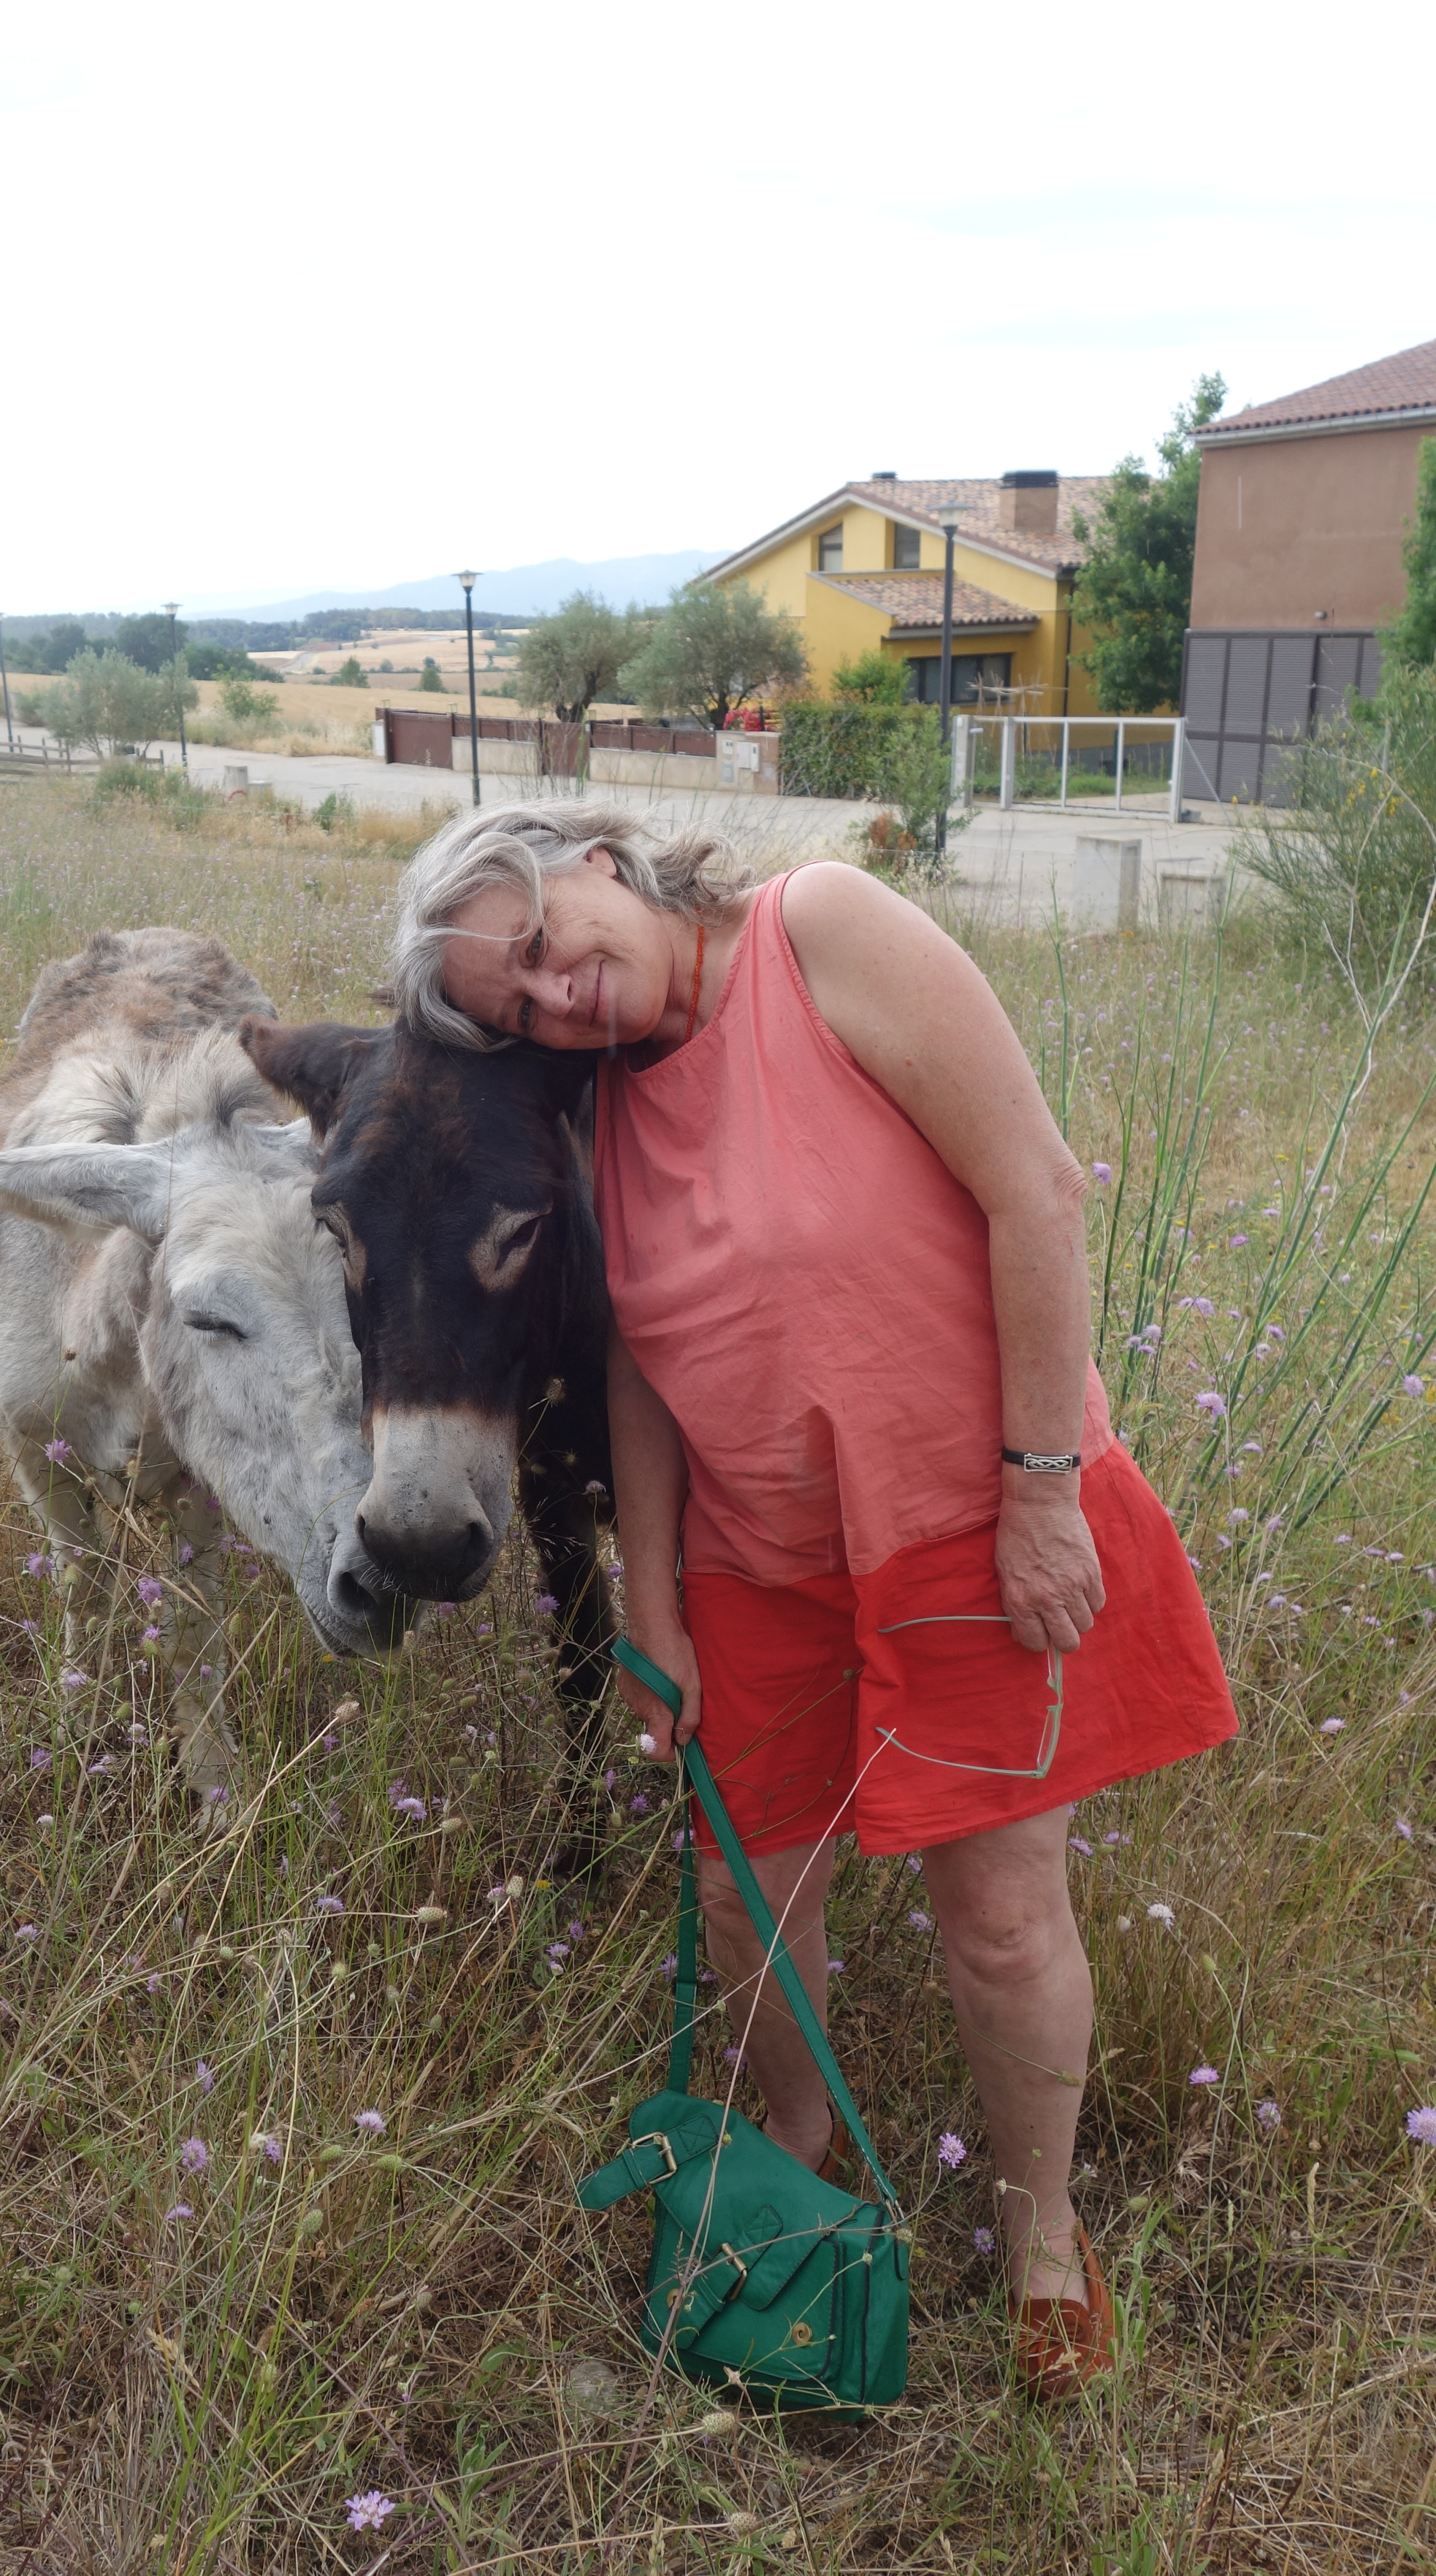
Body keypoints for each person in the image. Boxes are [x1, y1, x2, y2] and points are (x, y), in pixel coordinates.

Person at [388, 800, 1235, 2398]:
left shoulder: (819, 930)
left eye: (541, 952)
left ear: (587, 858)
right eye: (515, 1010)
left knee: (993, 1918)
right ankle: (798, 2156)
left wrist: (1040, 1489)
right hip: (753, 1565)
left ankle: (1039, 2232)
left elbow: (1035, 1193)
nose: (555, 1000)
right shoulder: (599, 1105)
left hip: (962, 1523)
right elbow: (635, 1358)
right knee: (742, 1900)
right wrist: (652, 1590)